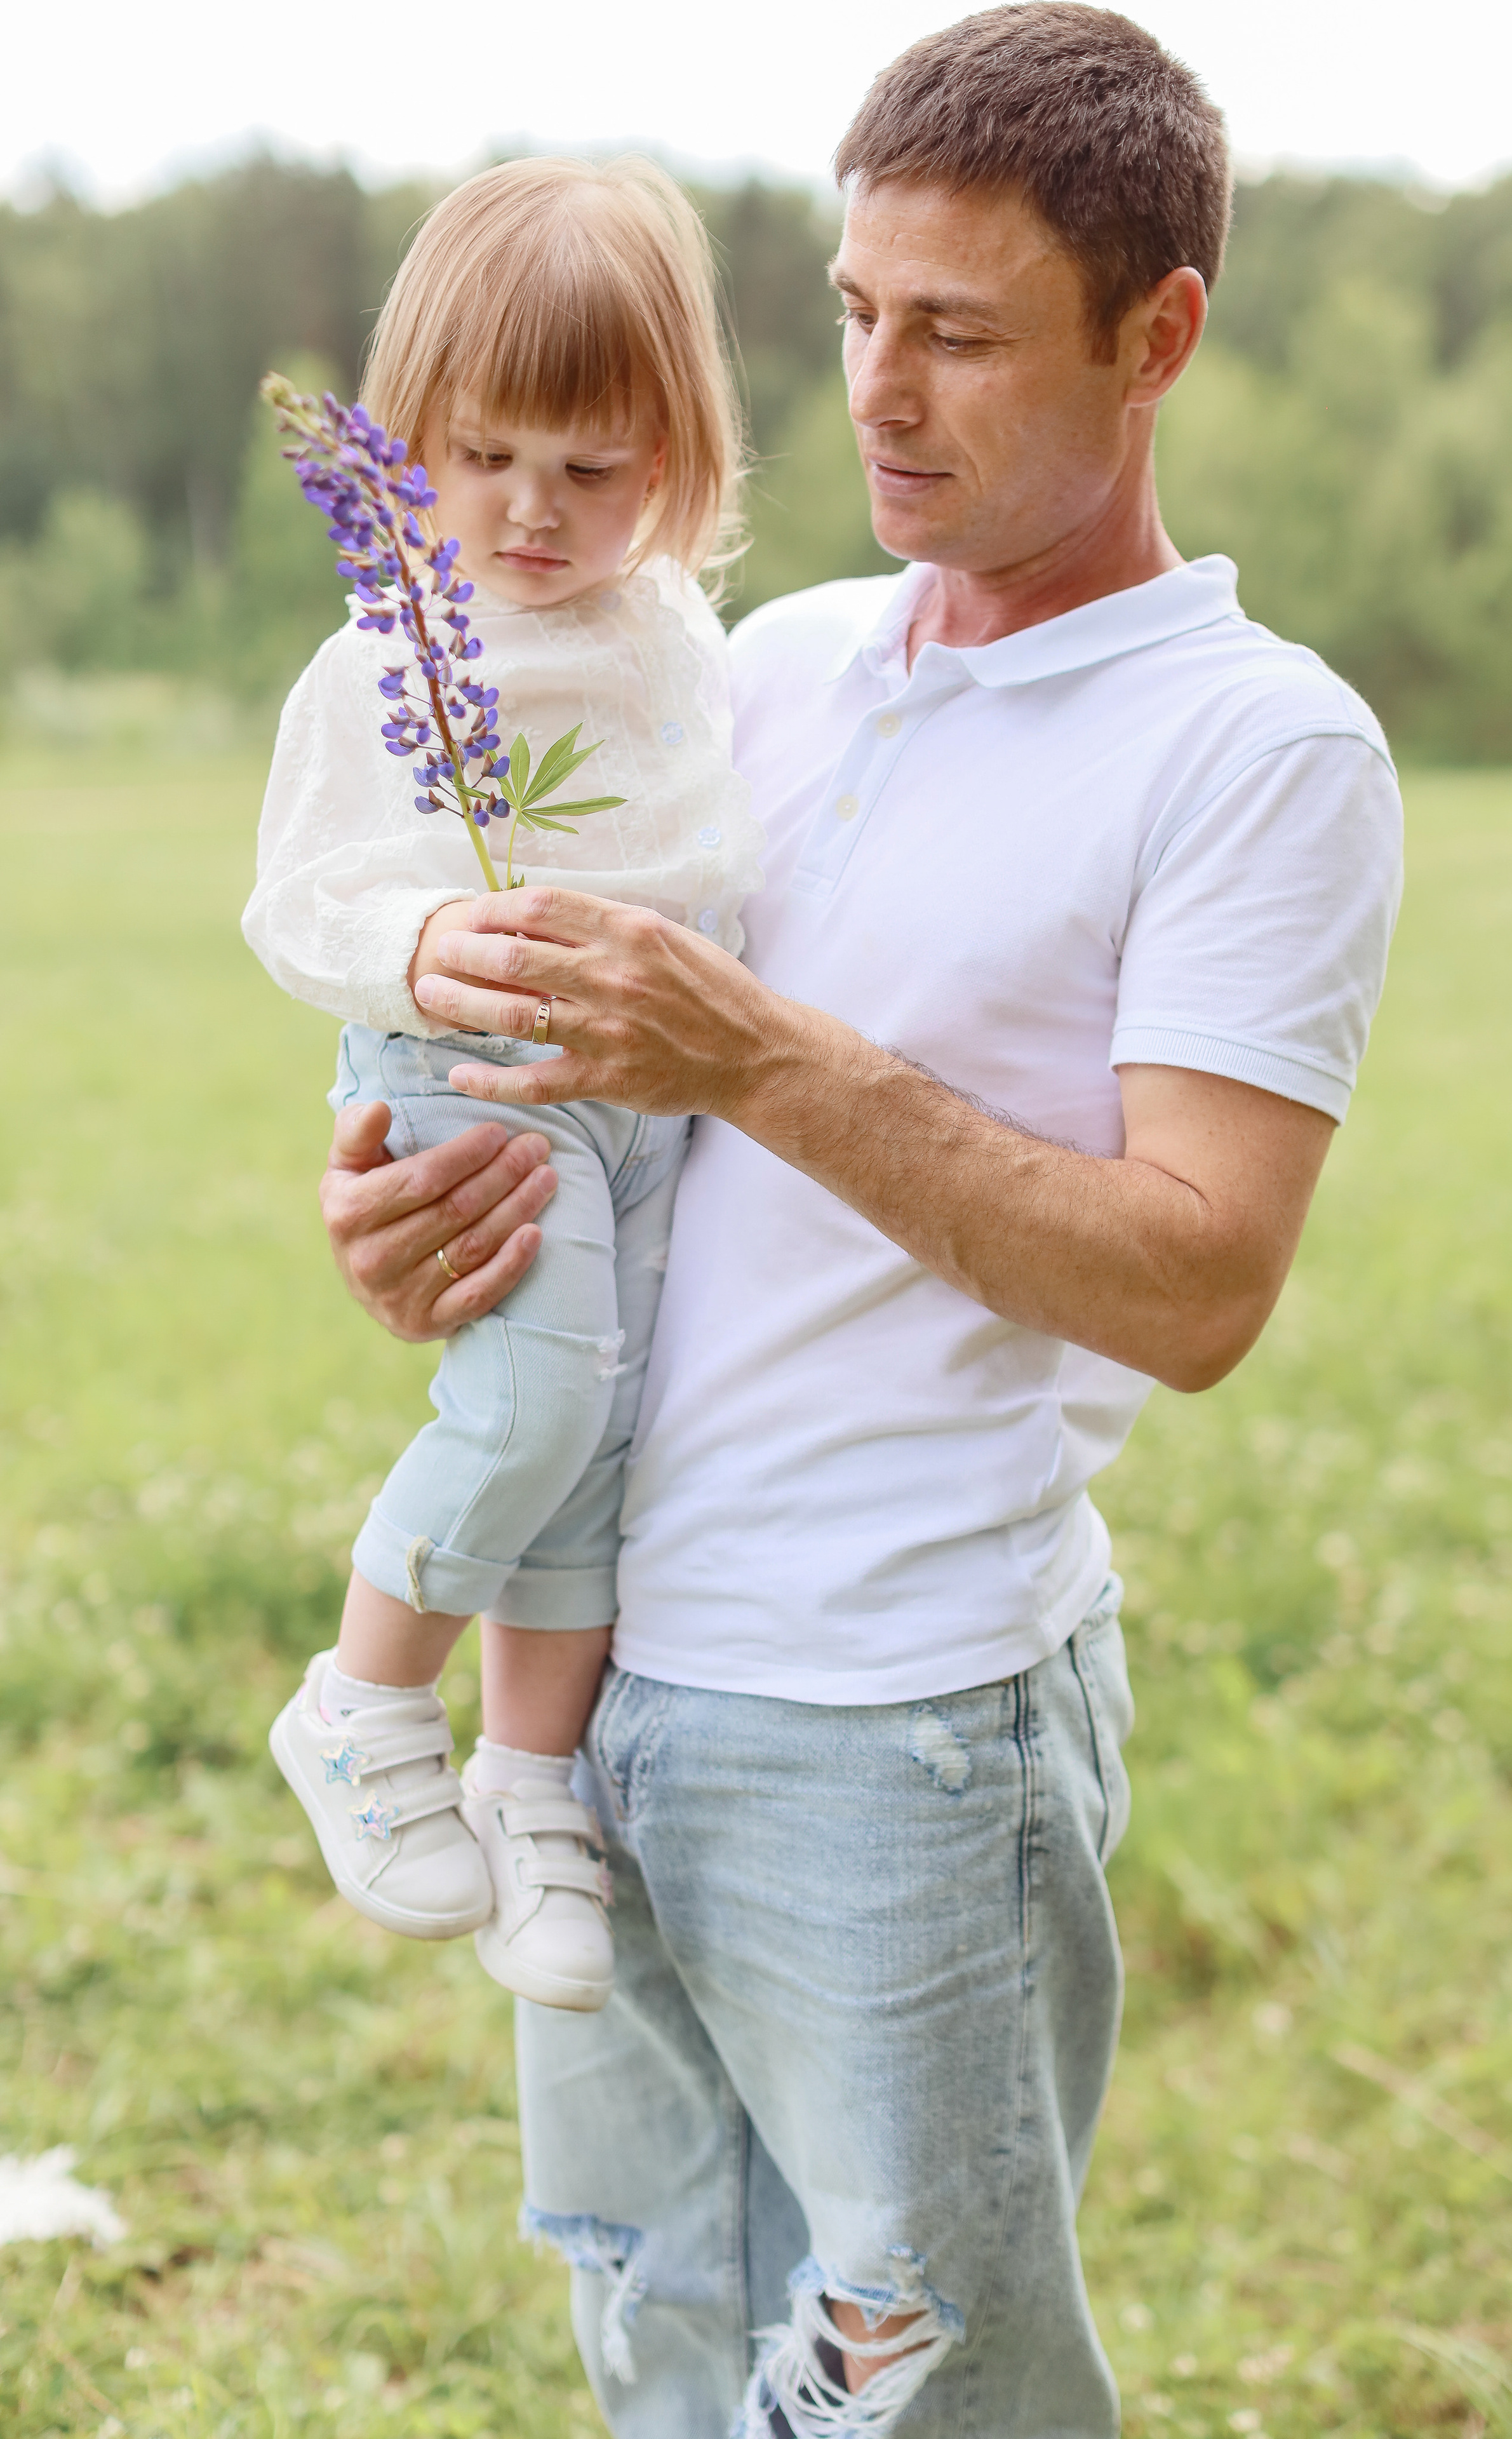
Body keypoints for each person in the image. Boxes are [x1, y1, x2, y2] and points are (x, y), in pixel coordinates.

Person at [317, 7, 1404, 2433]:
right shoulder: (761, 666)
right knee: (662, 2327)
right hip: (584, 1702)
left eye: (964, 332)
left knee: (920, 2394)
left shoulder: (1258, 748)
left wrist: (757, 1055)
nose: (882, 393)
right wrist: (401, 1206)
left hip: (893, 1731)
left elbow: (1202, 1278)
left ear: (1161, 340)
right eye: (852, 315)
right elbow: (597, 1115)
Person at [243, 156, 761, 2013]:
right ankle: (364, 1694)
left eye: (593, 468)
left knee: (603, 1451)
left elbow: (719, 845)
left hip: (645, 1092)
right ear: (406, 452)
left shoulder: (676, 638)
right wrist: (410, 953)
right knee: (534, 1404)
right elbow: (293, 898)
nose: (532, 513)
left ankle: (534, 1783)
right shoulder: (385, 653)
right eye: (482, 457)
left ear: (677, 463)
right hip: (476, 1068)